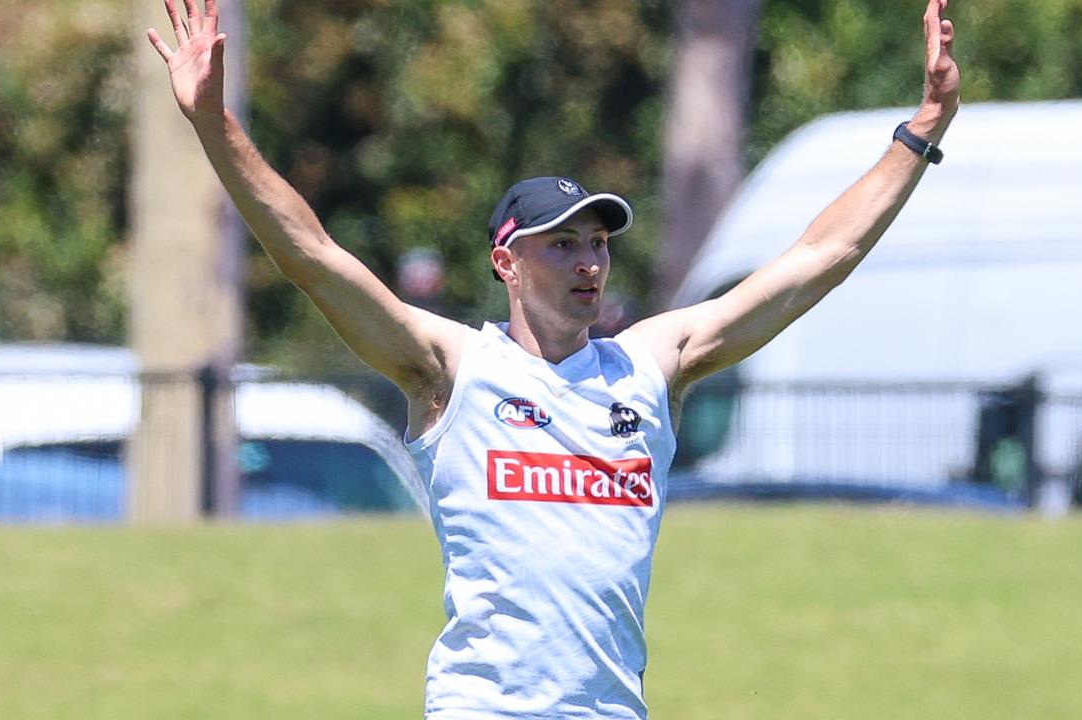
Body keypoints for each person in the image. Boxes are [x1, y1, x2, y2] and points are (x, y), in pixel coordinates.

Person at [148, 0, 960, 717]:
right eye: (562, 244)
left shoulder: (649, 365)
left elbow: (820, 254)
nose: (588, 263)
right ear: (506, 263)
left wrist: (919, 130)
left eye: (598, 243)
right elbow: (313, 255)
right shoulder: (450, 369)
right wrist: (215, 124)